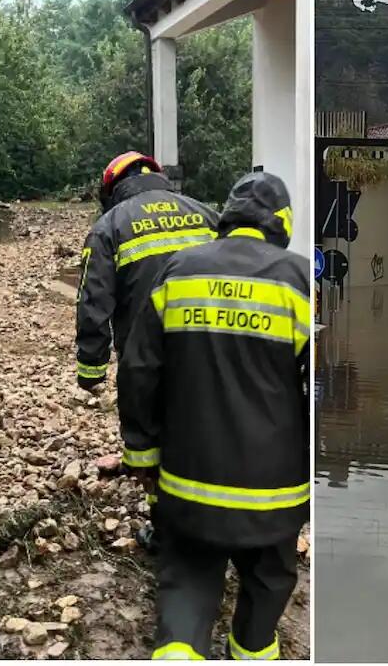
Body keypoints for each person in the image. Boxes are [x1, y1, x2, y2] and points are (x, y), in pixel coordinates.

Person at [118, 171, 310, 660]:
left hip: (188, 481)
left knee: (186, 575)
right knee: (269, 577)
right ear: (281, 223)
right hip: (276, 489)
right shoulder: (300, 280)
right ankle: (252, 647)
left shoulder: (180, 271)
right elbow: (324, 389)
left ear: (225, 218)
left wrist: (141, 453)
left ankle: (180, 649)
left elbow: (139, 369)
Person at [74, 151, 220, 391]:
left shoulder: (108, 228)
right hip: (211, 352)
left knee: (144, 426)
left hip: (143, 359)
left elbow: (93, 302)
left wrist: (91, 369)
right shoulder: (208, 215)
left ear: (113, 189)